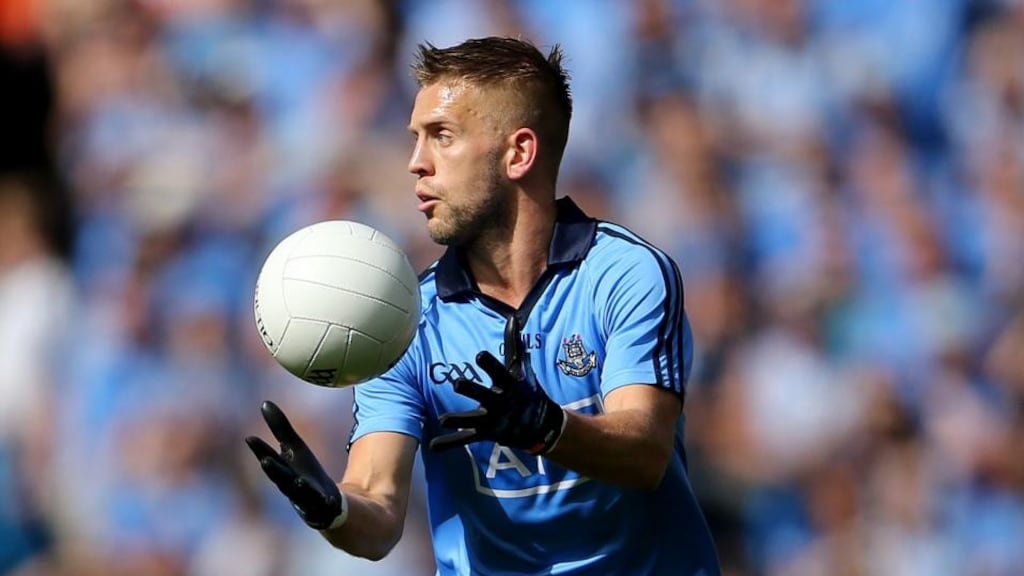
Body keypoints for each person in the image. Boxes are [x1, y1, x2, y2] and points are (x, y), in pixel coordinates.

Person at [246, 36, 721, 575]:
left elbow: (645, 451)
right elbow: (378, 512)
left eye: (441, 136)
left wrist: (545, 426)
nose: (415, 164)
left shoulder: (624, 274)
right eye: (415, 138)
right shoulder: (403, 319)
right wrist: (333, 512)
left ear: (518, 153)